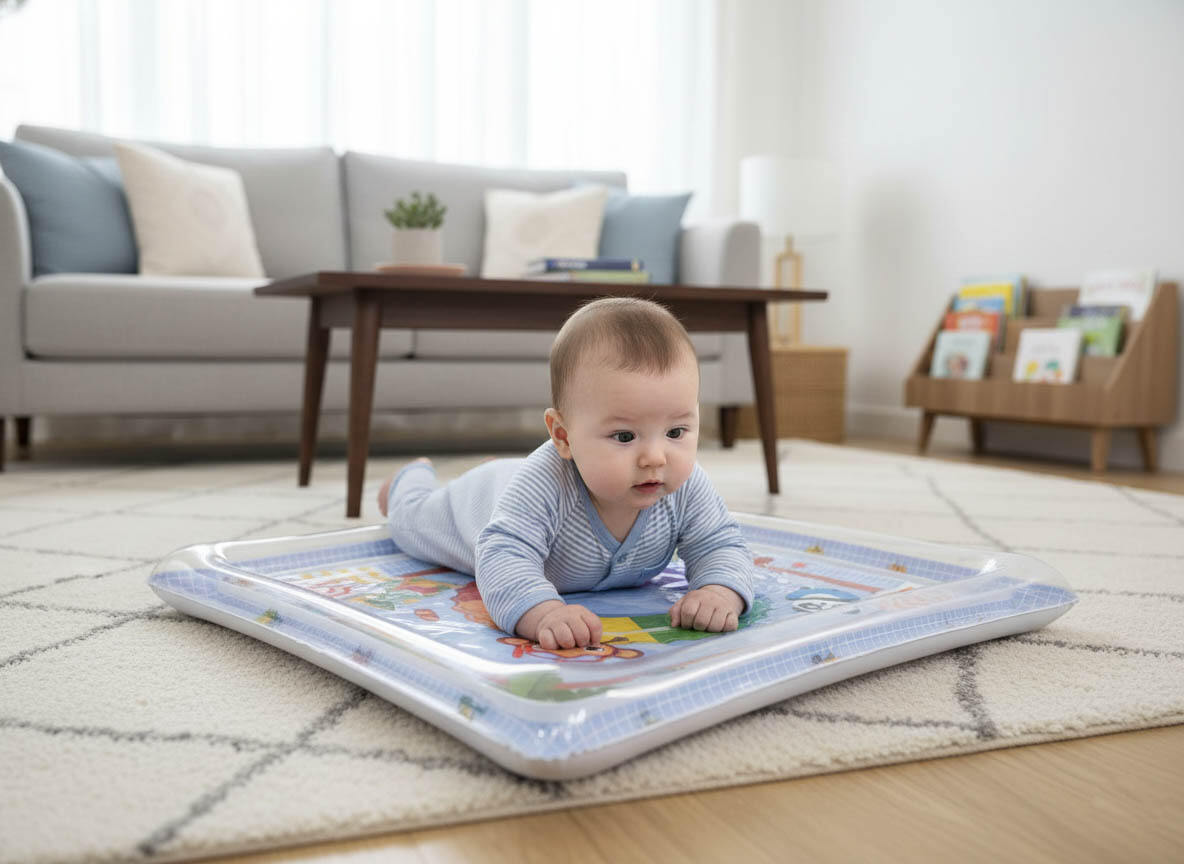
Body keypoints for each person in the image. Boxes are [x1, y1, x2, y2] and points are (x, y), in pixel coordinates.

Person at [377, 297, 754, 651]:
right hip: (478, 505)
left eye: (676, 432)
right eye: (624, 436)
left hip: (513, 481)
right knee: (409, 523)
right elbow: (504, 554)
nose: (655, 457)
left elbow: (719, 543)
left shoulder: (686, 486)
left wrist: (719, 591)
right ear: (563, 435)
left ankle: (494, 467)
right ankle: (406, 481)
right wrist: (544, 612)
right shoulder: (545, 485)